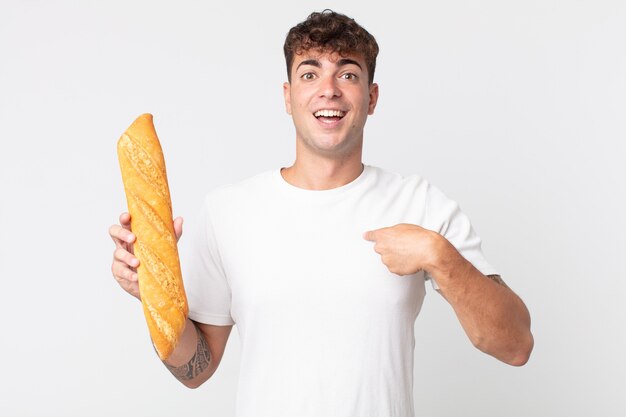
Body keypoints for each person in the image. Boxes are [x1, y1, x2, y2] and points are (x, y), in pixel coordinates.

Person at [110, 10, 533, 417]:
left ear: (371, 98)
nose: (328, 89)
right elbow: (196, 370)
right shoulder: (228, 211)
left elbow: (514, 345)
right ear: (288, 97)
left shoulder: (420, 204)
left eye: (347, 74)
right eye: (309, 73)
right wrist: (152, 294)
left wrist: (441, 257)